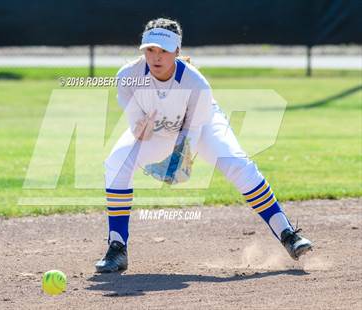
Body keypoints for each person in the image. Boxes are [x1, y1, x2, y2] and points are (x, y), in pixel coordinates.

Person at [95, 17, 312, 273]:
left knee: (237, 164)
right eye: (150, 49)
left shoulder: (196, 84)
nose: (156, 56)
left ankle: (288, 234)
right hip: (159, 131)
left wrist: (177, 165)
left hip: (202, 127)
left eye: (163, 50)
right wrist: (143, 129)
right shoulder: (128, 77)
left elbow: (190, 138)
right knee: (117, 163)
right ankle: (117, 248)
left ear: (177, 51)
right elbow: (138, 131)